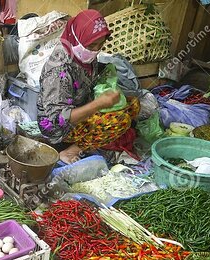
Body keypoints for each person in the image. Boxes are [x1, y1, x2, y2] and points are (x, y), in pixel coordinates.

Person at [37, 10, 140, 164]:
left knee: (133, 105)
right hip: (57, 128)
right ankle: (69, 151)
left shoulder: (82, 53)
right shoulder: (59, 70)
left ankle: (89, 139)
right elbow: (58, 119)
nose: (95, 50)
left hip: (80, 107)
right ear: (76, 38)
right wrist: (98, 104)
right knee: (120, 120)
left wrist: (108, 73)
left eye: (100, 45)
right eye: (91, 45)